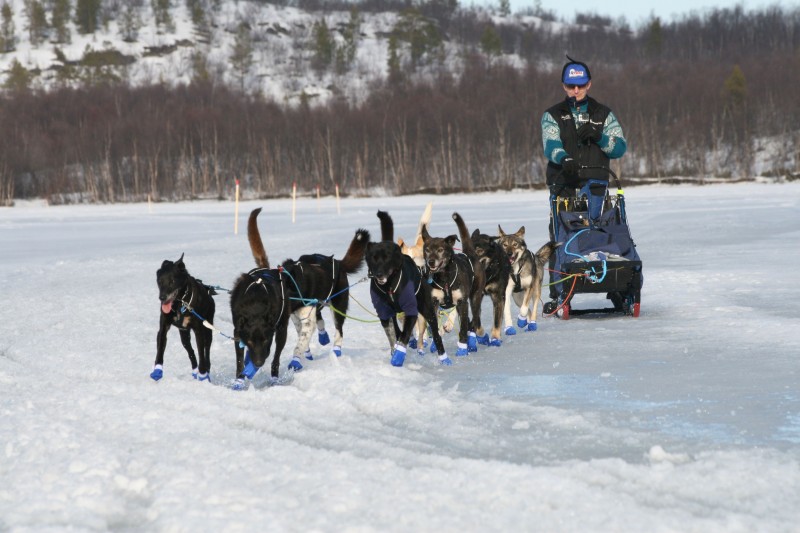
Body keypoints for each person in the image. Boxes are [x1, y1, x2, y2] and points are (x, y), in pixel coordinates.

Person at [541, 55, 627, 302]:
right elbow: (551, 144)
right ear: (563, 86)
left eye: (580, 85)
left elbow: (619, 148)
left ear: (589, 84)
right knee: (560, 238)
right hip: (564, 184)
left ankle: (617, 286)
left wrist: (600, 137)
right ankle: (558, 292)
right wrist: (564, 159)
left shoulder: (604, 114)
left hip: (597, 184)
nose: (575, 90)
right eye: (570, 86)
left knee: (603, 233)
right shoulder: (552, 115)